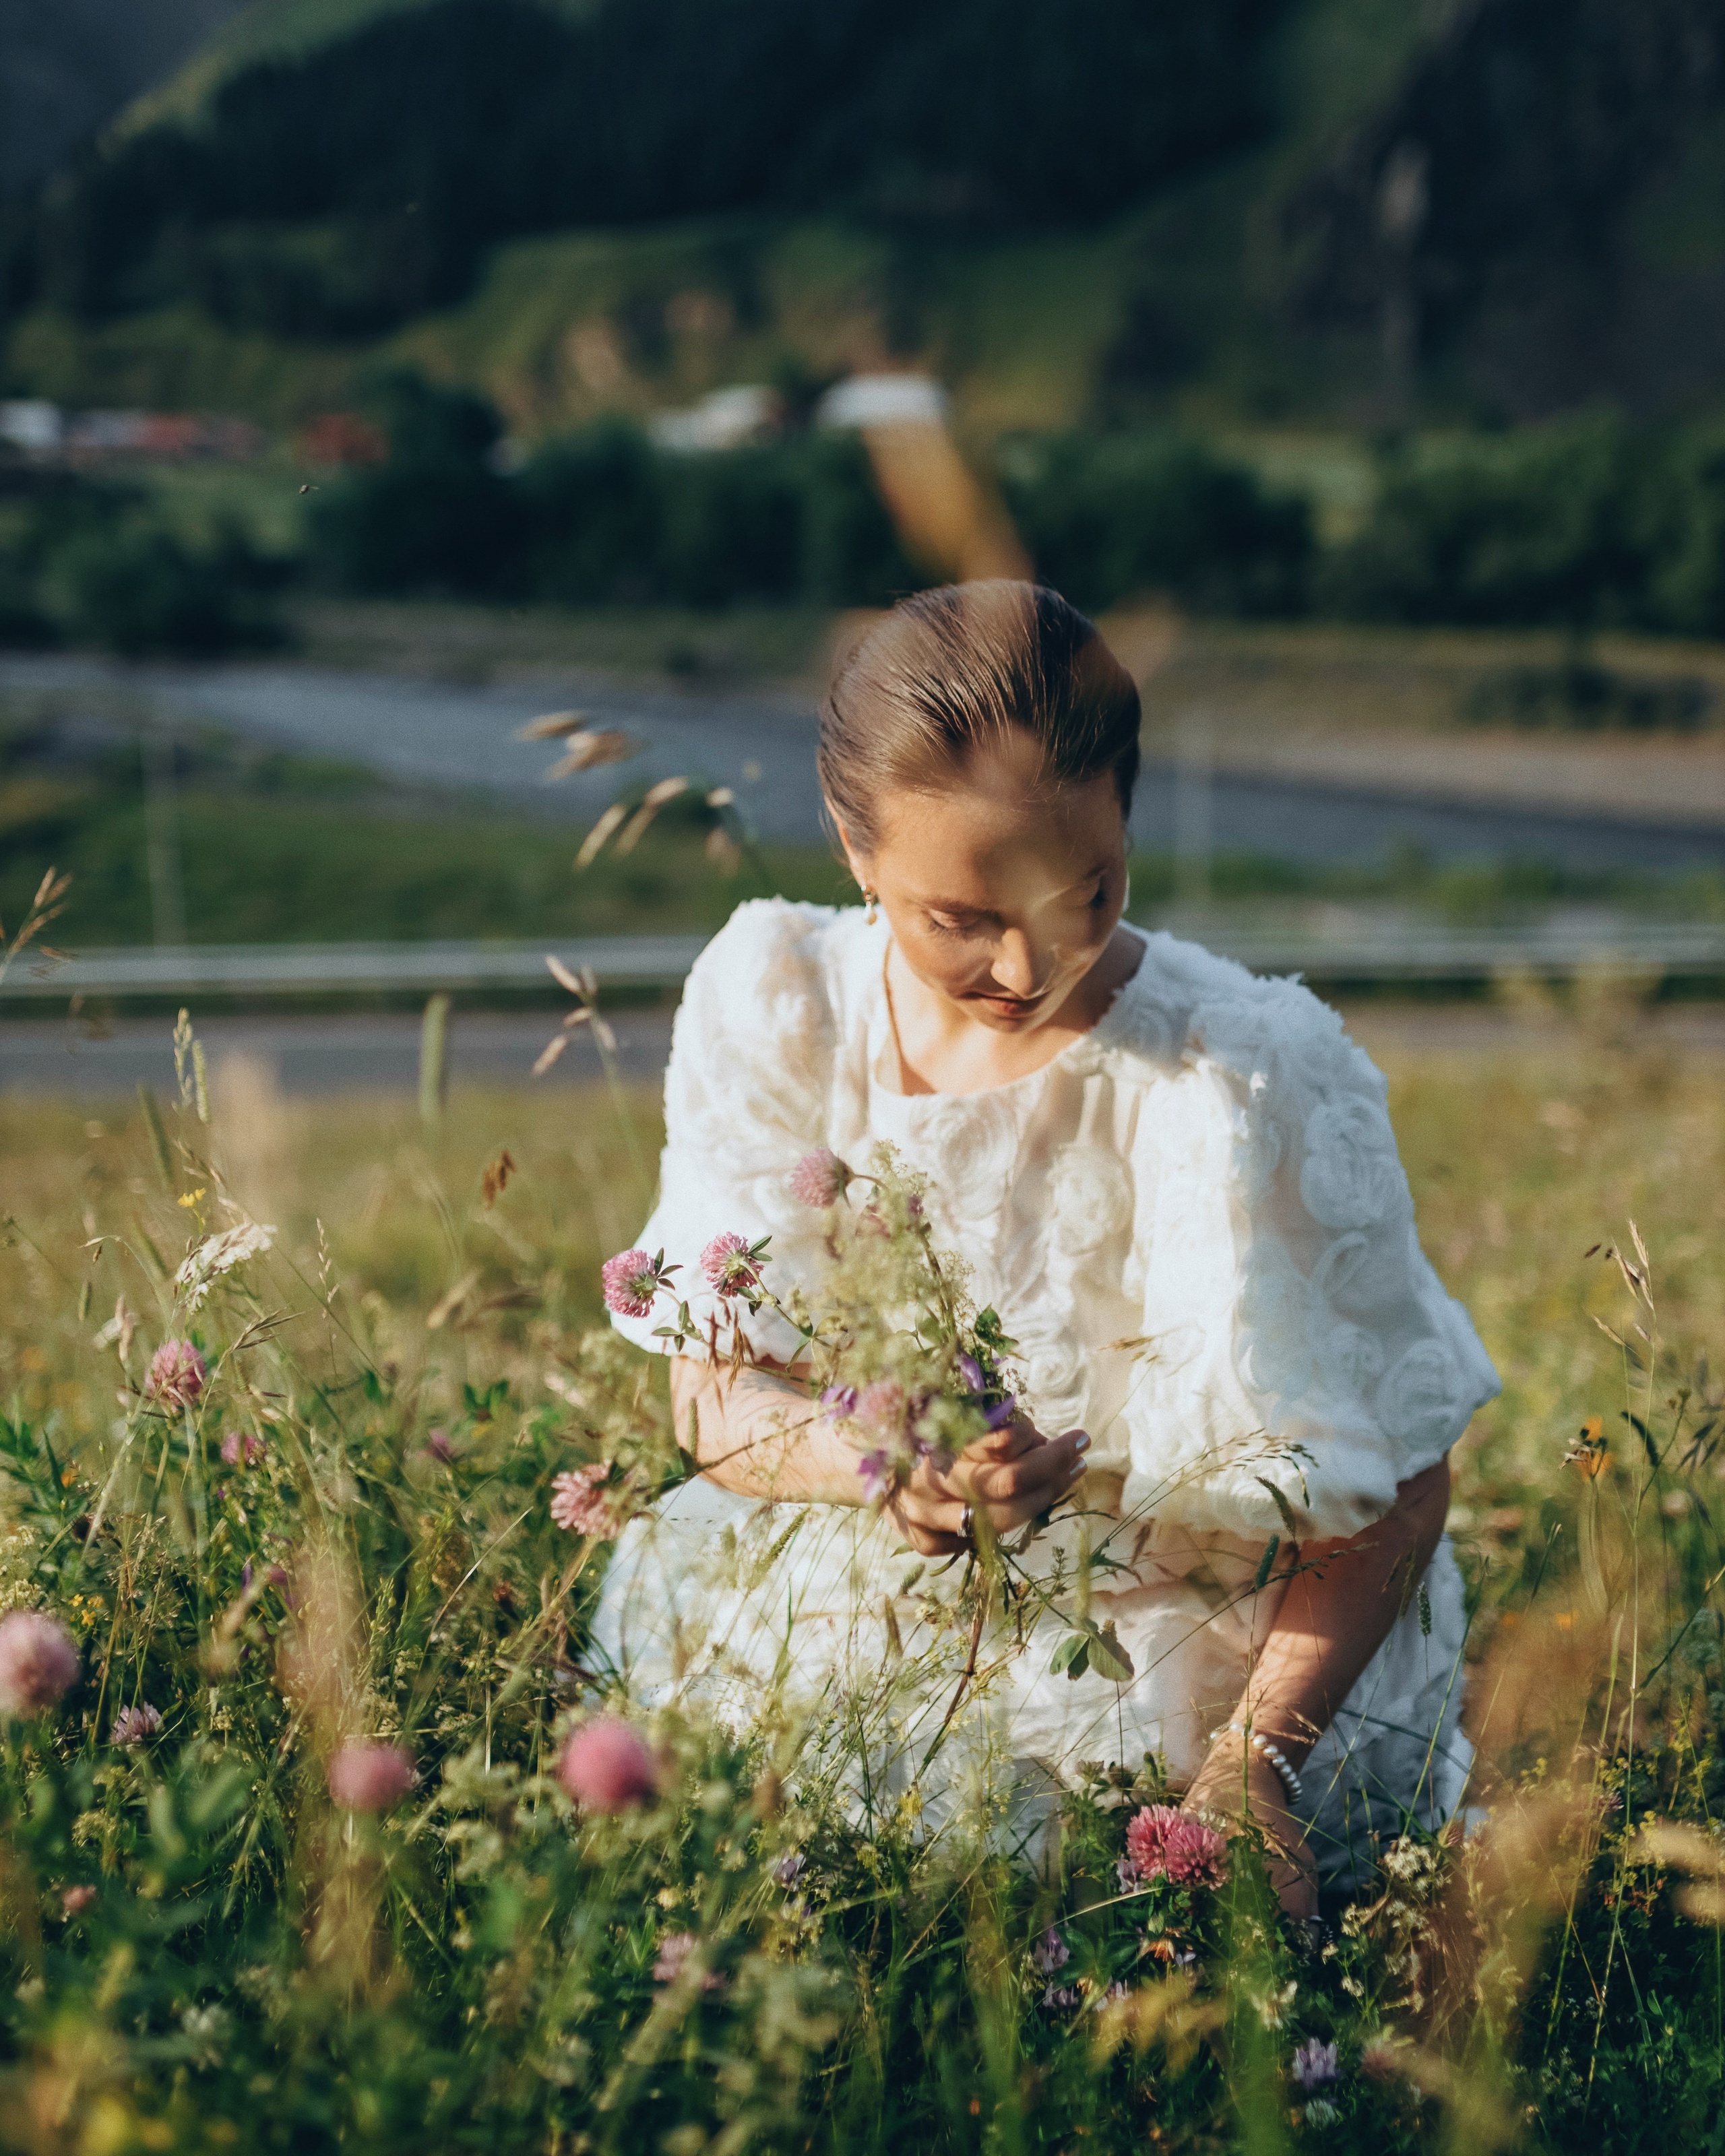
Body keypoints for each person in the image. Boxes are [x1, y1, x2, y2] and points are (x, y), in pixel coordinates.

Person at [592, 580, 1499, 1910]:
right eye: (961, 915)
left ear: (1124, 810)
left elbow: (1399, 1479)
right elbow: (712, 1395)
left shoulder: (1240, 1072)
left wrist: (1252, 1761)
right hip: (876, 1589)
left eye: (1083, 889)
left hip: (1188, 1633)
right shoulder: (779, 1002)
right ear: (855, 849)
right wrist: (884, 1472)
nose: (1027, 965)